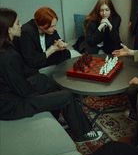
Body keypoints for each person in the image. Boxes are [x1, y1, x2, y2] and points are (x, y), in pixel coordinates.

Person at [0, 8, 102, 142]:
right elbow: (24, 91)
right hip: (12, 105)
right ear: (9, 29)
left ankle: (56, 116)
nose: (20, 26)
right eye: (17, 23)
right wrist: (43, 97)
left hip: (13, 93)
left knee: (45, 81)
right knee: (66, 96)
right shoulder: (8, 56)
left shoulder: (7, 47)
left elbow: (20, 76)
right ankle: (83, 134)